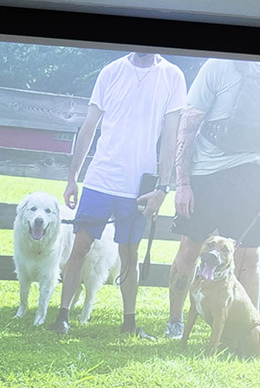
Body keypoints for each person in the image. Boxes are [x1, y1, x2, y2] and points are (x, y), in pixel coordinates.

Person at [55, 50, 187, 337]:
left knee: (130, 254)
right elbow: (89, 126)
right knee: (80, 247)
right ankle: (62, 315)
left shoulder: (172, 76)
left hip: (138, 186)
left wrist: (162, 188)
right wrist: (72, 178)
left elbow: (171, 137)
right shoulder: (111, 71)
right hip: (100, 179)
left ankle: (129, 322)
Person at [166, 57, 260, 338]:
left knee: (250, 256)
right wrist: (183, 183)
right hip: (205, 171)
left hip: (252, 171)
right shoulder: (218, 66)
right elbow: (189, 123)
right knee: (191, 247)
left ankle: (250, 327)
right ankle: (175, 322)